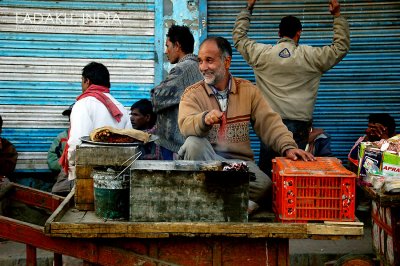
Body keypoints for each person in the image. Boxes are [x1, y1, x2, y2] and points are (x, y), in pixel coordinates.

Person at [178, 36, 315, 213]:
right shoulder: (192, 94)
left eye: (209, 61)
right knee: (193, 144)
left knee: (266, 187)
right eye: (200, 61)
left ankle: (219, 202)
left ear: (226, 62)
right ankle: (237, 204)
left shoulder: (248, 90)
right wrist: (204, 119)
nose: (203, 67)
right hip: (209, 163)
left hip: (239, 166)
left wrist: (288, 147)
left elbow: (269, 123)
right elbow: (185, 124)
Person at [233, 0, 350, 175]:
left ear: (279, 33)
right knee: (294, 170)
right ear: (299, 33)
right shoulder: (311, 56)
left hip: (269, 124)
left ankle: (267, 200)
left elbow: (239, 38)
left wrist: (247, 9)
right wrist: (337, 16)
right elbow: (340, 47)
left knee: (267, 169)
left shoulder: (262, 54)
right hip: (299, 125)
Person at [60, 62, 132, 181]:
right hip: (118, 175)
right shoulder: (121, 108)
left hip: (88, 175)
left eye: (82, 81)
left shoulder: (83, 104)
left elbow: (76, 143)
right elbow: (129, 141)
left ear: (87, 81)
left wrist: (73, 171)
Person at [151, 25, 203, 160]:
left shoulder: (183, 68)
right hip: (190, 140)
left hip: (176, 145)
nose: (166, 51)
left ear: (177, 46)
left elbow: (157, 98)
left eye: (168, 46)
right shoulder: (197, 66)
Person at [47, 104, 75, 196]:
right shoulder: (62, 137)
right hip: (63, 178)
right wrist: (65, 166)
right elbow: (51, 161)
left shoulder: (88, 136)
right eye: (71, 116)